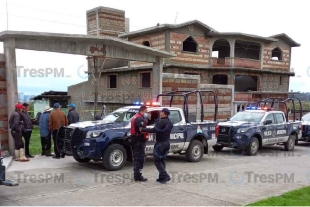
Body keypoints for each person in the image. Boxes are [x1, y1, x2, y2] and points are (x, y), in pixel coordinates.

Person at [142, 108, 173, 184]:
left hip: (160, 144)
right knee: (162, 160)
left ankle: (165, 176)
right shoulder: (170, 122)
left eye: (161, 112)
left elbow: (154, 130)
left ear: (164, 113)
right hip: (167, 143)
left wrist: (143, 129)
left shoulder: (161, 121)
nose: (160, 113)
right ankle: (162, 177)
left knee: (157, 161)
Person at [131, 105, 148, 182]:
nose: (146, 113)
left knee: (137, 158)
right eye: (146, 112)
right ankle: (138, 176)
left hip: (136, 140)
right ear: (143, 110)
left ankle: (136, 174)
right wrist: (150, 130)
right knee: (139, 159)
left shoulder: (135, 116)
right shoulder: (139, 118)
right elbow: (141, 130)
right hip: (139, 141)